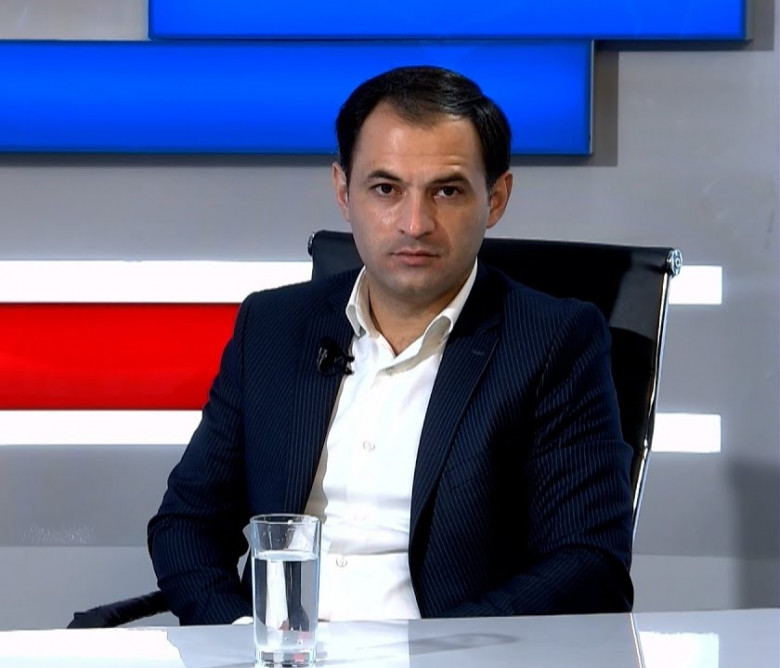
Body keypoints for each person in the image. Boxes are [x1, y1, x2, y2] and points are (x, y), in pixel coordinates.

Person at [148, 65, 634, 625]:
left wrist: (431, 654)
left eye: (447, 191)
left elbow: (587, 564)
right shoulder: (273, 326)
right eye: (386, 189)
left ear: (496, 197)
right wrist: (245, 637)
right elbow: (186, 524)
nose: (415, 223)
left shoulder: (553, 343)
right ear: (343, 191)